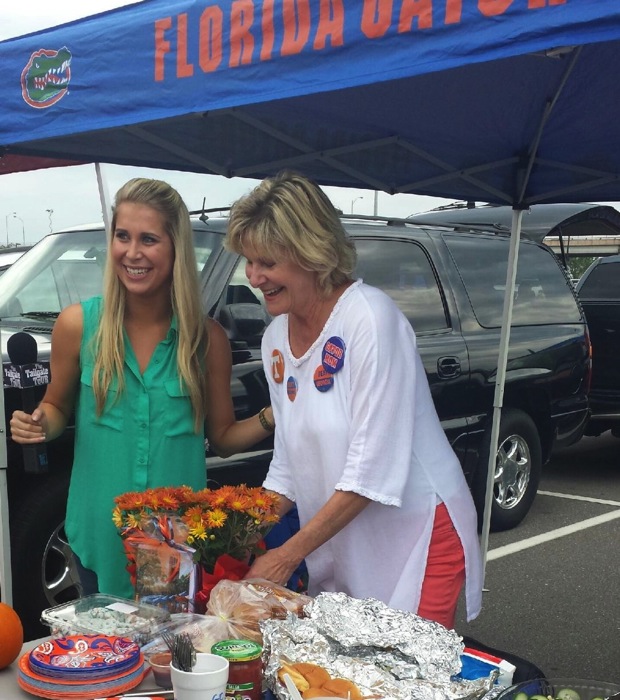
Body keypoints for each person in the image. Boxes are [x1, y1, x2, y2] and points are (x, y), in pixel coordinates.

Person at [225, 171, 483, 628]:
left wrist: (286, 556)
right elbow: (286, 466)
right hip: (344, 538)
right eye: (248, 261)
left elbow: (372, 472)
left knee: (403, 680)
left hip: (416, 537)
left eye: (266, 261)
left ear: (311, 253)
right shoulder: (275, 339)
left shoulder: (370, 319)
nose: (254, 276)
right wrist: (231, 533)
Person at [10, 177, 275, 599]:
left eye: (148, 239)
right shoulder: (77, 325)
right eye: (122, 236)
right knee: (106, 663)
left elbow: (223, 439)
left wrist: (275, 413)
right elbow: (57, 408)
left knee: (167, 663)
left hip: (177, 549)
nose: (132, 253)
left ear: (174, 249)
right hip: (97, 541)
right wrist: (40, 423)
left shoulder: (206, 340)